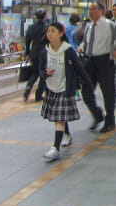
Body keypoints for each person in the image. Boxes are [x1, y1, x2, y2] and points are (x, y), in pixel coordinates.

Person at [38, 22, 93, 162]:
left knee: (59, 118)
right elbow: (40, 70)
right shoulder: (45, 51)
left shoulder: (67, 50)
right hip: (51, 88)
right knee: (59, 117)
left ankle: (55, 148)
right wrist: (45, 74)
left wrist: (87, 83)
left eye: (53, 31)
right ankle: (66, 134)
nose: (49, 34)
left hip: (64, 88)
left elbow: (78, 68)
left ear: (61, 33)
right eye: (48, 31)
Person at [77, 1, 116, 133]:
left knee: (108, 93)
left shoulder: (109, 25)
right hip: (90, 62)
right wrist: (82, 46)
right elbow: (86, 41)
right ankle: (97, 115)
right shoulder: (88, 26)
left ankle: (110, 121)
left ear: (101, 11)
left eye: (94, 9)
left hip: (105, 61)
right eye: (89, 10)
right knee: (86, 92)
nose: (91, 12)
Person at [24, 8, 48, 102]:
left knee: (34, 73)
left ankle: (28, 89)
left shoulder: (31, 27)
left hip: (34, 53)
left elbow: (27, 41)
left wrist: (27, 53)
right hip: (44, 54)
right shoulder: (46, 28)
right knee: (43, 75)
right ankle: (38, 94)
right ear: (45, 16)